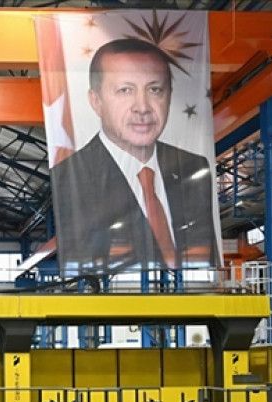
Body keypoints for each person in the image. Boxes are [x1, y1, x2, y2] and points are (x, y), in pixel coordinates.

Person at [51, 37, 219, 273]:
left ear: (170, 96)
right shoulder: (70, 178)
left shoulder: (194, 168)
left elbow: (206, 256)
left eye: (154, 90)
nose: (142, 107)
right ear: (96, 101)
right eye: (125, 90)